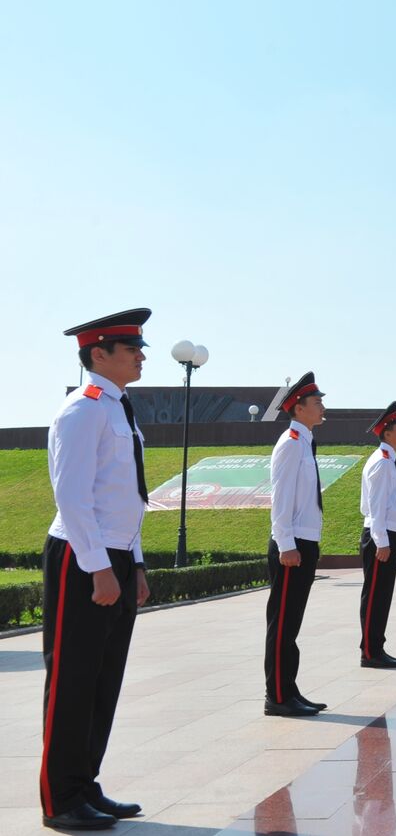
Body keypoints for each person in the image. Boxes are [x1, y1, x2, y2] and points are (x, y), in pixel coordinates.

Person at [41, 309, 154, 829]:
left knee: (103, 681)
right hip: (83, 556)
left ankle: (85, 785)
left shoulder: (118, 408)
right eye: (131, 349)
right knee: (73, 679)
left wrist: (135, 565)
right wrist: (98, 568)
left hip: (116, 555)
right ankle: (60, 800)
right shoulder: (82, 410)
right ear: (99, 354)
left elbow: (126, 497)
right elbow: (72, 497)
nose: (140, 357)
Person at [264, 371, 327, 718]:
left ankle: (288, 689)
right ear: (299, 407)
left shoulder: (304, 442)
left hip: (305, 542)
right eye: (317, 402)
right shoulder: (290, 443)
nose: (322, 407)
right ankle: (276, 695)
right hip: (292, 546)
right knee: (283, 623)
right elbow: (281, 497)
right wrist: (286, 543)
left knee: (292, 624)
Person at [360, 402, 396, 669]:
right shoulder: (381, 462)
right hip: (381, 534)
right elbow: (376, 505)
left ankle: (376, 647)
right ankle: (370, 651)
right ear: (387, 433)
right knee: (375, 595)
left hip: (387, 532)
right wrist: (381, 540)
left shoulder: (388, 460)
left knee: (383, 595)